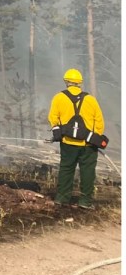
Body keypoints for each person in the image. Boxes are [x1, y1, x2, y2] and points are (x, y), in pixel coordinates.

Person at [48, 68, 105, 209]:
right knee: (88, 172)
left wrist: (59, 133)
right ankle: (85, 202)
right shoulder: (91, 99)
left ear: (66, 82)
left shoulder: (59, 98)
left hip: (67, 143)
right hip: (87, 145)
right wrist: (94, 137)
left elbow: (53, 118)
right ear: (80, 83)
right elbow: (99, 122)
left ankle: (61, 198)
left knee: (66, 169)